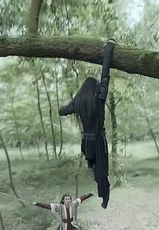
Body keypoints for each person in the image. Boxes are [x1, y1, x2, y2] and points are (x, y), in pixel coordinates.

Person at [58, 39, 116, 209]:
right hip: (98, 140)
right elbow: (105, 75)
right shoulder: (99, 98)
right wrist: (109, 49)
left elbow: (63, 111)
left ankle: (93, 169)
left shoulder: (79, 103)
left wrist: (67, 105)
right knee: (102, 172)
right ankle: (104, 197)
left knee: (94, 167)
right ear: (95, 88)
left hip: (86, 142)